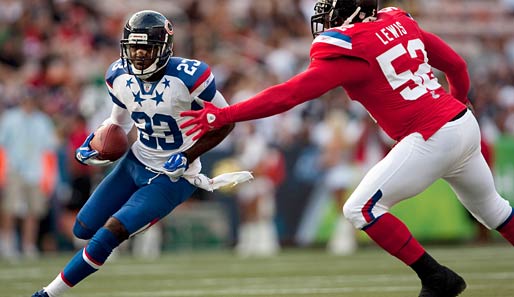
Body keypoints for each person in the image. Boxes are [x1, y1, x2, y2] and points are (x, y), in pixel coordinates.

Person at [179, 1, 514, 296]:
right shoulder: (399, 22)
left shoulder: (352, 49)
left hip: (431, 134)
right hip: (463, 124)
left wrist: (226, 114)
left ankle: (438, 279)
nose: (327, 23)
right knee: (495, 211)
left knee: (360, 209)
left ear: (353, 11)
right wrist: (457, 105)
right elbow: (457, 65)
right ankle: (439, 279)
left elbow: (290, 94)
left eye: (334, 13)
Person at [32, 10, 251, 297]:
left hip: (174, 177)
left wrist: (187, 155)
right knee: (82, 229)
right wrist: (93, 145)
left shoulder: (190, 76)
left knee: (107, 235)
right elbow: (117, 125)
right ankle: (140, 217)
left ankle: (47, 294)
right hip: (135, 162)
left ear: (164, 49)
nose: (139, 55)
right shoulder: (118, 75)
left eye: (146, 48)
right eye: (133, 47)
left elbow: (227, 120)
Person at [0, 95, 58, 260]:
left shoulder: (43, 121)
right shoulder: (10, 119)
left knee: (33, 211)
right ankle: (7, 244)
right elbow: (2, 146)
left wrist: (48, 177)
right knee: (10, 209)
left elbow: (49, 150)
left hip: (35, 171)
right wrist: (2, 172)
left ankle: (28, 245)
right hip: (14, 169)